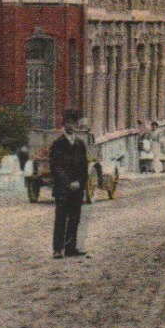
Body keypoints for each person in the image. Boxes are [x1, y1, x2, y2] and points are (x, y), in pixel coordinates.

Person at [47, 110, 90, 257]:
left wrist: (79, 182)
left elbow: (84, 166)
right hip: (63, 189)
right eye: (69, 123)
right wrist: (68, 183)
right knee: (61, 218)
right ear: (64, 125)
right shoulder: (58, 144)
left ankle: (70, 247)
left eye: (74, 122)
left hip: (77, 188)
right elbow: (56, 167)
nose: (72, 125)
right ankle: (57, 249)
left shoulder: (80, 144)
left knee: (74, 218)